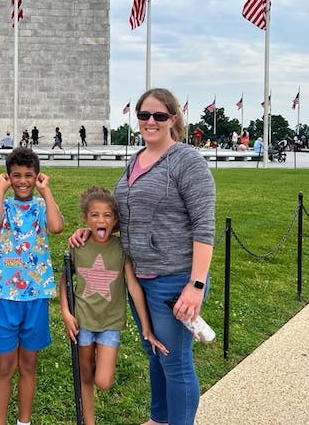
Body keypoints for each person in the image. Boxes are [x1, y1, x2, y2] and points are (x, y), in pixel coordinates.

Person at [69, 88, 215, 425]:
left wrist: (195, 284)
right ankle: (159, 418)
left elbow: (203, 227)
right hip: (140, 279)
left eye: (159, 116)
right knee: (155, 352)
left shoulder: (186, 160)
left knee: (175, 362)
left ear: (172, 119)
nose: (150, 121)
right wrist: (91, 232)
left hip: (174, 280)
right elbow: (128, 217)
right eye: (144, 115)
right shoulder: (135, 159)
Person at [60, 186, 167, 425]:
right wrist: (66, 313)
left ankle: (100, 357)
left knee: (103, 381)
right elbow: (65, 283)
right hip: (83, 323)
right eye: (95, 215)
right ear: (86, 218)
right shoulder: (77, 246)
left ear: (115, 219)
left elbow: (134, 287)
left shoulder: (120, 248)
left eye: (107, 215)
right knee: (85, 377)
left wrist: (146, 327)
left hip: (110, 324)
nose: (101, 220)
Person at [0, 147, 64, 425]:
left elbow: (56, 228)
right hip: (6, 296)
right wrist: (0, 188)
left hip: (36, 296)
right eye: (15, 175)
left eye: (28, 175)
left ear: (37, 176)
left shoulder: (42, 207)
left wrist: (46, 192)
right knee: (5, 366)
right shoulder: (4, 206)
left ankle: (24, 421)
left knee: (29, 364)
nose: (22, 181)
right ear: (8, 177)